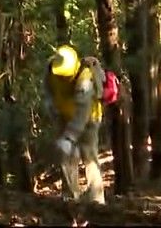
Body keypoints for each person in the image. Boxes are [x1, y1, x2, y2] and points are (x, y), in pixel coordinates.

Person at [44, 44, 106, 205]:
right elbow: (49, 93)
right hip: (64, 116)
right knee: (66, 157)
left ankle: (96, 200)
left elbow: (82, 113)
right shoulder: (51, 69)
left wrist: (69, 137)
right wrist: (52, 111)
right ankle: (70, 198)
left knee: (89, 156)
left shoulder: (85, 77)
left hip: (89, 119)